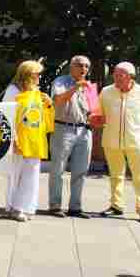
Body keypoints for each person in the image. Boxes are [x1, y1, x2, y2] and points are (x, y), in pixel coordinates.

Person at [99, 62, 140, 224]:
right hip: (111, 140)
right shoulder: (106, 92)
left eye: (120, 75)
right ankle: (116, 205)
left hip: (136, 141)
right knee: (115, 176)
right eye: (115, 74)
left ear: (130, 76)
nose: (116, 77)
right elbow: (100, 115)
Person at [2, 60, 54, 222]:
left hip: (35, 140)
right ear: (28, 74)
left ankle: (24, 207)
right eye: (37, 74)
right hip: (18, 139)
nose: (39, 77)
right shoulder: (13, 91)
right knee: (16, 175)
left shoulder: (36, 92)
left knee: (31, 175)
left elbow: (43, 118)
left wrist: (48, 105)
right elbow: (6, 116)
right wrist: (12, 138)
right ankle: (14, 207)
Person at [48, 55, 95, 218]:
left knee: (81, 171)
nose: (84, 69)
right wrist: (76, 87)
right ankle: (55, 206)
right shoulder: (61, 81)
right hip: (63, 128)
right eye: (80, 65)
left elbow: (93, 111)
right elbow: (58, 100)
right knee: (58, 169)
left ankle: (75, 207)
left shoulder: (89, 87)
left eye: (87, 66)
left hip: (84, 131)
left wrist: (97, 118)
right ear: (71, 66)